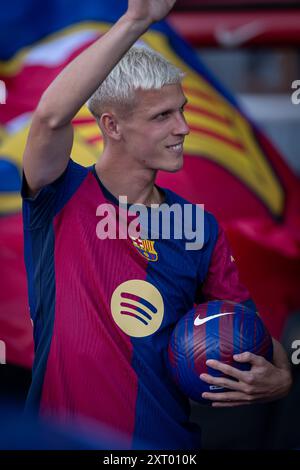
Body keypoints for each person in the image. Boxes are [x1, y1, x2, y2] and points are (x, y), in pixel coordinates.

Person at [21, 0, 292, 450]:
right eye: (163, 116)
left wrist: (280, 376)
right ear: (112, 125)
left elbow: (249, 327)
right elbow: (50, 116)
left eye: (181, 110)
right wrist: (136, 21)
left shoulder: (198, 227)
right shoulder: (59, 194)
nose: (184, 127)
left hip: (168, 450)